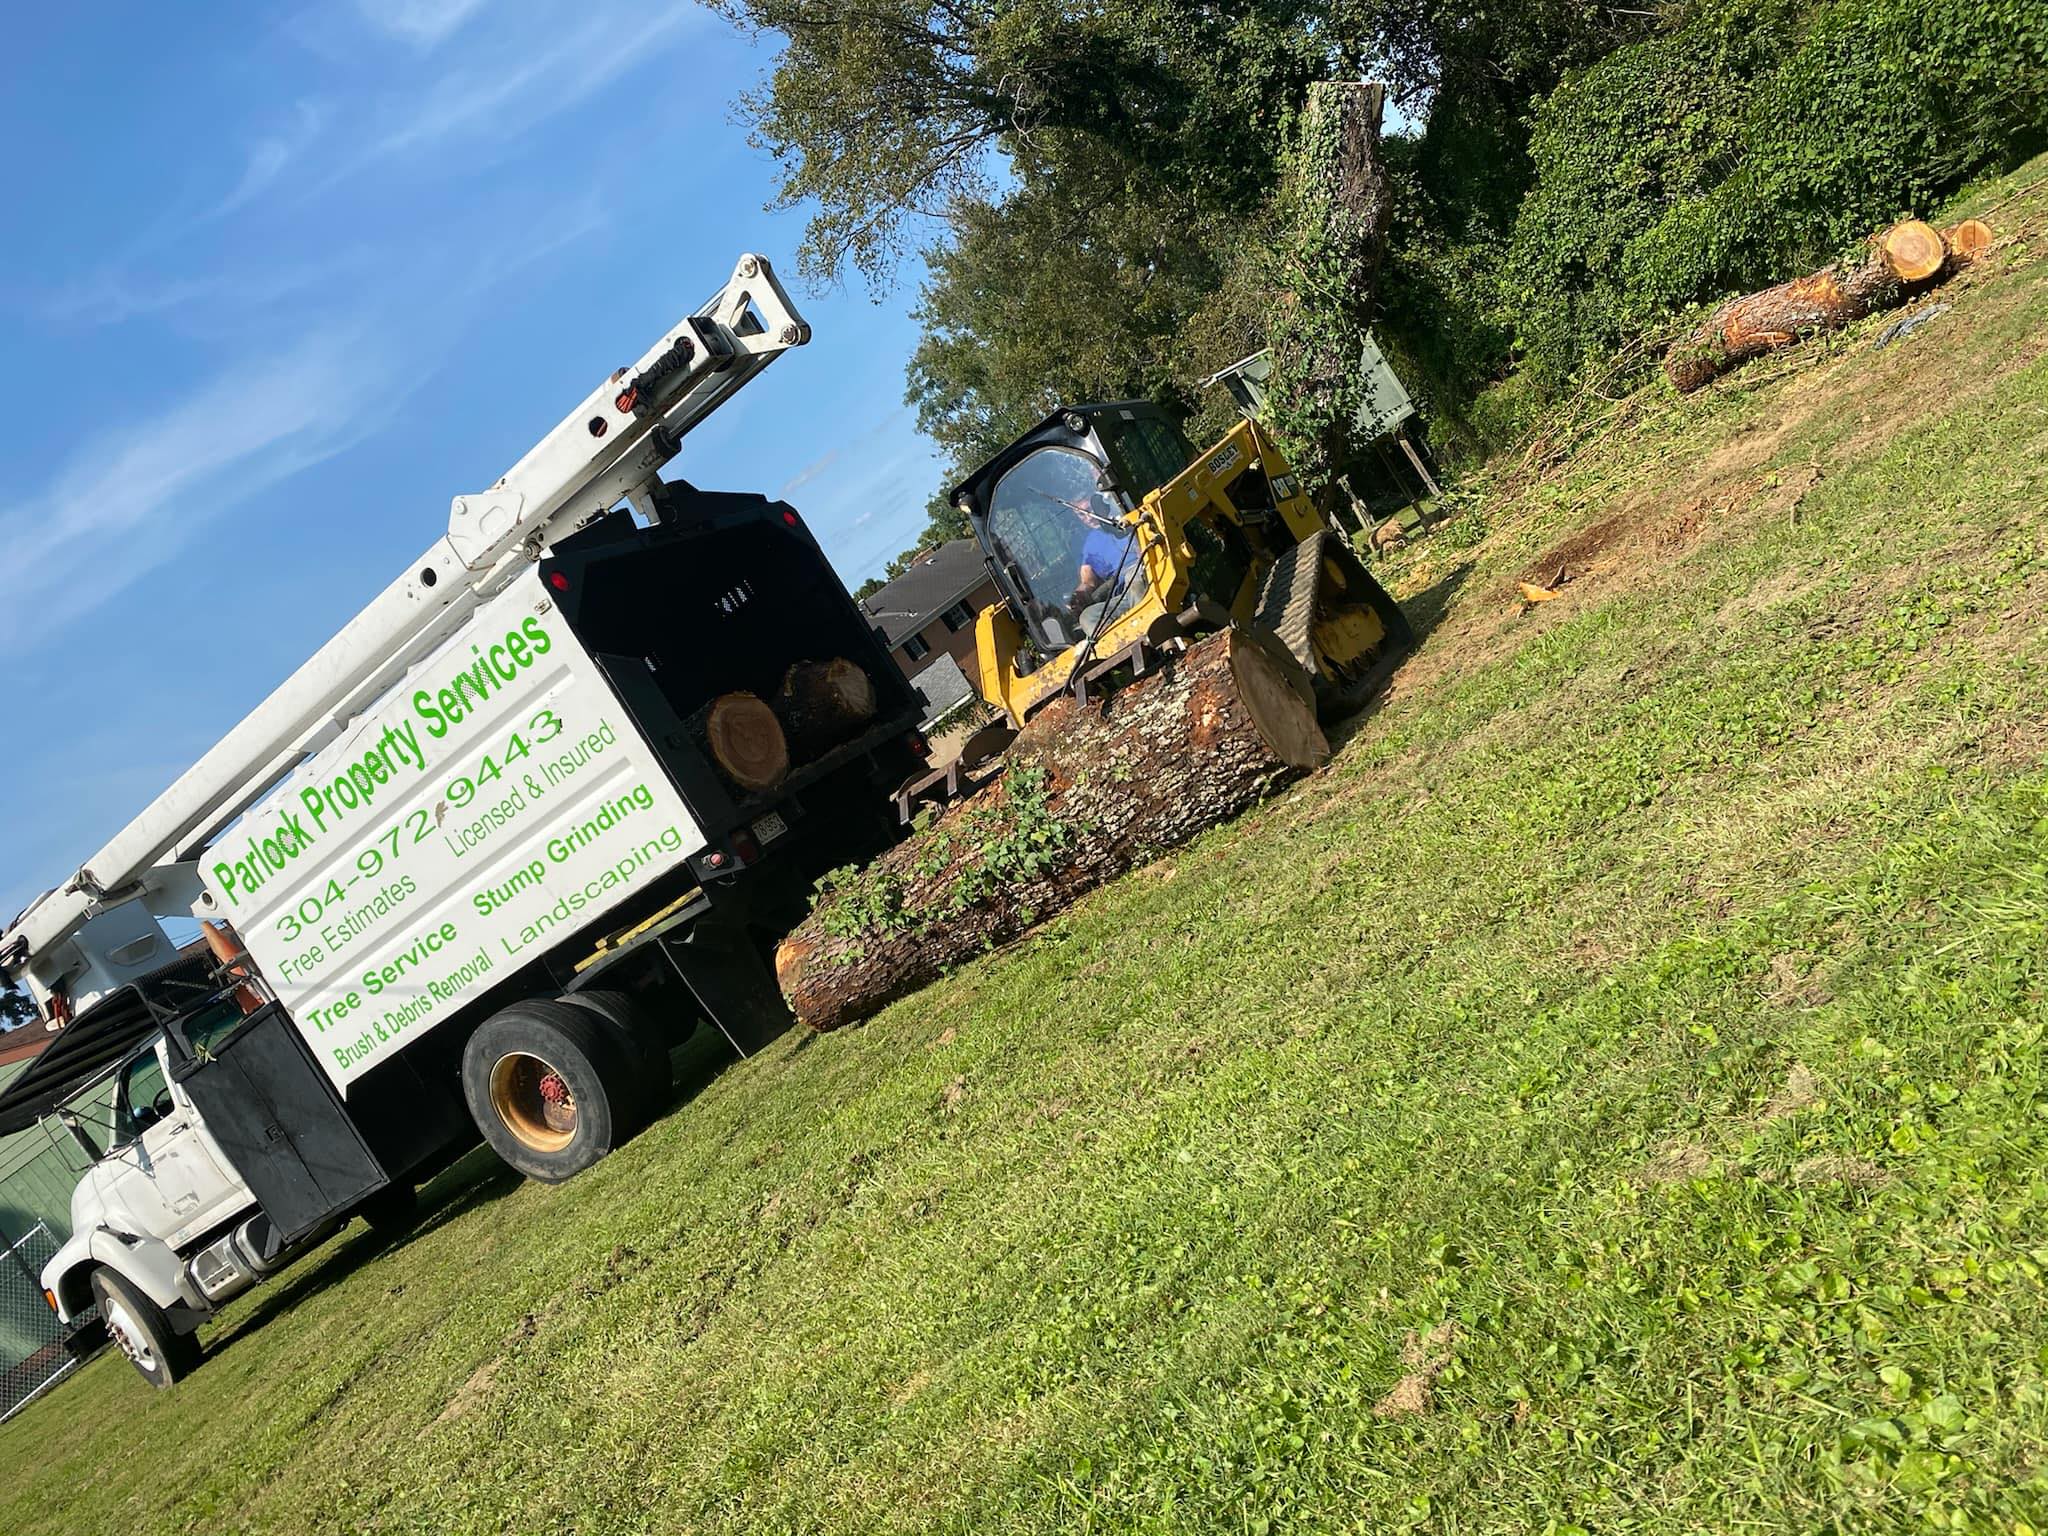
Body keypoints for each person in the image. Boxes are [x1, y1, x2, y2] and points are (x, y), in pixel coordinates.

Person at [1066, 491, 1138, 620]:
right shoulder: (1092, 543)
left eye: (1089, 510)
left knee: (1135, 581)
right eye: (1081, 515)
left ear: (1099, 505)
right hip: (1122, 593)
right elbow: (1088, 580)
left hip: (1143, 572)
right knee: (1088, 618)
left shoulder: (1126, 518)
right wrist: (1078, 596)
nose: (1088, 518)